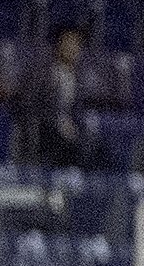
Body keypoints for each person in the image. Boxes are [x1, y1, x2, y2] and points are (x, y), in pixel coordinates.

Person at [16, 22, 93, 167]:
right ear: (59, 44)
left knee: (97, 145)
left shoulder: (78, 78)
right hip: (43, 127)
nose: (73, 48)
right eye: (69, 42)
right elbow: (27, 104)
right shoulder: (41, 72)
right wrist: (57, 122)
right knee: (66, 141)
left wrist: (72, 126)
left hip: (69, 130)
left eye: (77, 44)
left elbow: (77, 111)